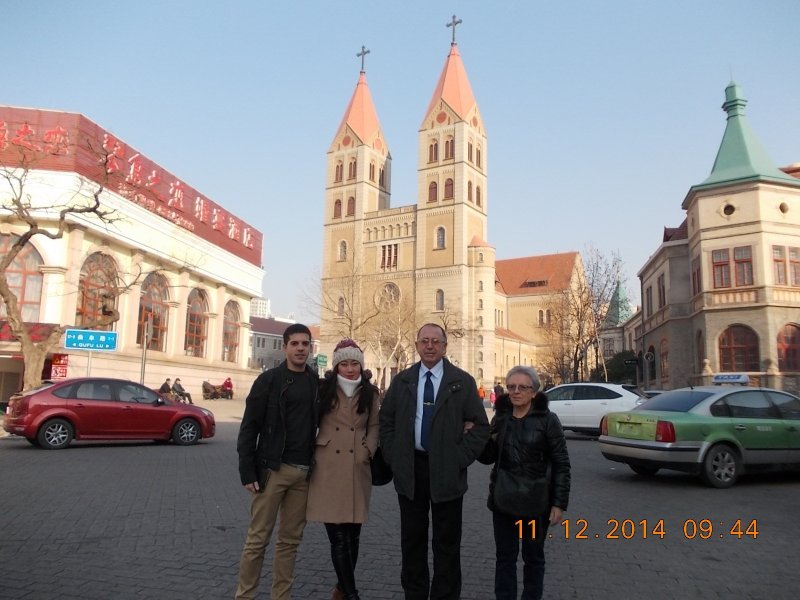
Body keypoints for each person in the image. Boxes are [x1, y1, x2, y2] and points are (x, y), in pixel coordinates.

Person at [379, 323, 489, 600]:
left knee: (447, 544)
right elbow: (387, 422)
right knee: (412, 543)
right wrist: (394, 456)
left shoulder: (462, 382)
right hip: (411, 470)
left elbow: (479, 426)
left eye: (435, 342)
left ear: (444, 346)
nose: (429, 346)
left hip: (447, 473)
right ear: (416, 345)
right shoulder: (402, 381)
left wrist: (458, 459)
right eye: (424, 341)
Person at [235, 323, 319, 600]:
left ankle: (280, 596)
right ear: (285, 347)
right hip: (272, 470)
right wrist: (247, 470)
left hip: (303, 474)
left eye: (305, 344)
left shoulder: (315, 382)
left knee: (290, 543)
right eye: (295, 344)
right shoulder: (269, 381)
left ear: (310, 347)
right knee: (258, 540)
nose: (300, 349)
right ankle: (245, 596)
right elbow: (249, 426)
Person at [478, 366, 571, 600]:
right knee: (505, 558)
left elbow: (561, 463)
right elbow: (488, 457)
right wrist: (477, 436)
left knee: (533, 557)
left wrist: (558, 504)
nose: (516, 392)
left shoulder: (548, 421)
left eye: (522, 387)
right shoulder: (501, 419)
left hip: (534, 503)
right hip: (504, 501)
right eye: (511, 387)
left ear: (534, 392)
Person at [307, 339, 379, 600]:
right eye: (344, 364)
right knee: (338, 536)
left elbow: (374, 427)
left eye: (354, 363)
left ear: (361, 365)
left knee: (353, 535)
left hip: (357, 467)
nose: (350, 369)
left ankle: (341, 587)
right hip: (328, 466)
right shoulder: (322, 390)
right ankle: (352, 593)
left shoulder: (371, 393)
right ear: (336, 366)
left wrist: (368, 449)